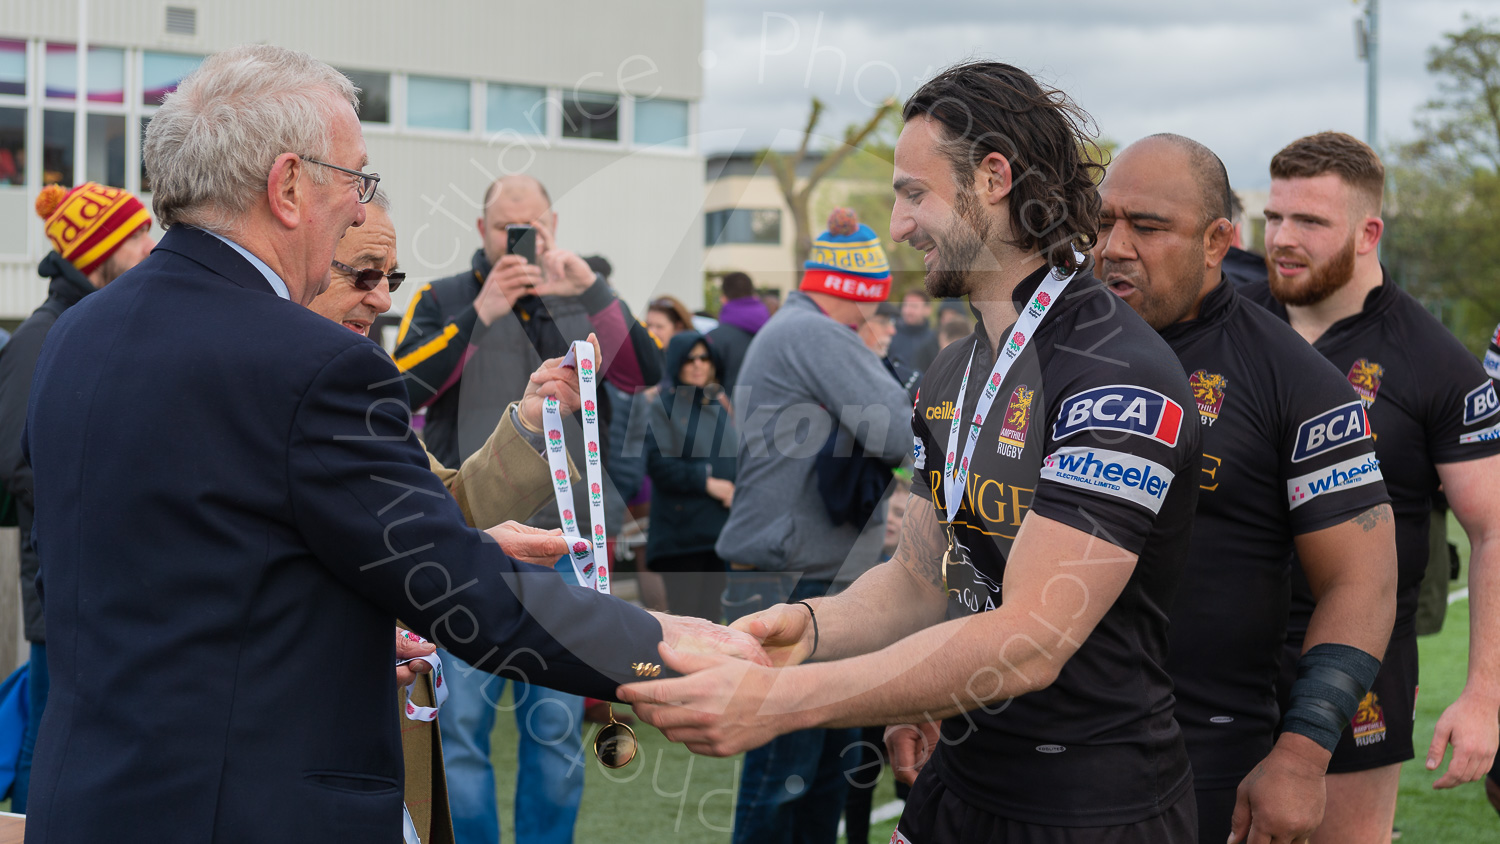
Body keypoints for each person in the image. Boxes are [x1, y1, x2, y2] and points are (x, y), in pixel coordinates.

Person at [19, 45, 762, 844]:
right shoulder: (310, 362)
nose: (363, 207)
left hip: (92, 800)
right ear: (291, 187)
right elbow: (453, 585)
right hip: (249, 809)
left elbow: (228, 550)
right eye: (357, 179)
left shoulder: (76, 334)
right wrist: (669, 644)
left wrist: (463, 538)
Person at [625, 61, 1205, 844]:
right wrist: (800, 632)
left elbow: (1032, 638)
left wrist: (781, 704)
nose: (899, 226)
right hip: (958, 785)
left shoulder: (1119, 373)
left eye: (913, 193)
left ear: (994, 178)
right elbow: (917, 580)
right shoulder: (952, 370)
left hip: (1088, 806)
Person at [1096, 134, 1398, 844]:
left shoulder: (1295, 381)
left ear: (1217, 240)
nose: (1113, 246)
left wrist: (1301, 753)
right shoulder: (1053, 348)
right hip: (1031, 743)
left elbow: (1364, 582)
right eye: (1103, 221)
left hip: (1200, 755)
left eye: (1146, 227)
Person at [1243, 132, 1500, 843]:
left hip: (1356, 664)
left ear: (1368, 232)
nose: (1284, 240)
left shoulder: (1437, 365)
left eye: (1311, 223)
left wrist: (1484, 695)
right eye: (1274, 218)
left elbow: (1493, 530)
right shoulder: (1230, 318)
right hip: (1216, 652)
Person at [392, 172, 664, 844]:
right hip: (468, 544)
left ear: (552, 228)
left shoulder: (575, 296)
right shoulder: (446, 295)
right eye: (502, 227)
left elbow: (644, 370)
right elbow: (399, 386)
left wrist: (593, 289)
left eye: (532, 227)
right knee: (459, 731)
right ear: (479, 230)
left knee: (556, 735)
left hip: (566, 548)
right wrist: (478, 314)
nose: (516, 240)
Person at [706, 206, 911, 843]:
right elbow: (904, 431)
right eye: (869, 300)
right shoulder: (815, 333)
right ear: (853, 288)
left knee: (816, 774)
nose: (871, 316)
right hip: (796, 578)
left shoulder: (795, 328)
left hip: (801, 570)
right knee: (787, 780)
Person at [0, 181, 154, 813]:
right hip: (59, 582)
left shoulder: (98, 322)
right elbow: (14, 464)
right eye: (137, 234)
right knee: (47, 739)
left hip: (101, 577)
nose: (151, 245)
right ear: (100, 250)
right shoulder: (44, 336)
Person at [643, 331, 736, 621]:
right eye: (690, 358)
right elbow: (658, 465)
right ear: (676, 364)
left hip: (717, 534)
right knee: (686, 623)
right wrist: (707, 482)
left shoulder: (717, 406)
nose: (698, 364)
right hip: (681, 536)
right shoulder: (664, 407)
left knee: (714, 619)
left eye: (704, 357)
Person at [705, 271, 770, 395]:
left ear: (723, 299)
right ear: (754, 296)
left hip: (727, 410)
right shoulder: (774, 330)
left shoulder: (713, 338)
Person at [888, 289, 939, 374]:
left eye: (914, 306)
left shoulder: (934, 340)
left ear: (928, 310)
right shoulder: (890, 334)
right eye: (905, 305)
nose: (908, 311)